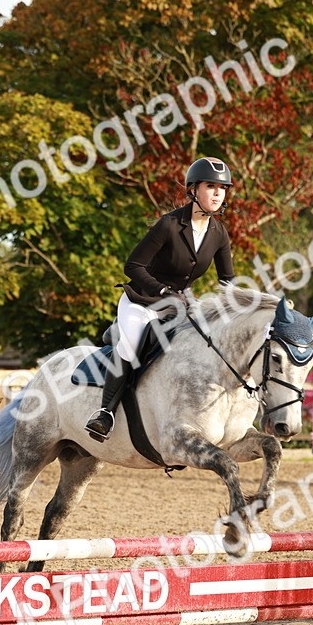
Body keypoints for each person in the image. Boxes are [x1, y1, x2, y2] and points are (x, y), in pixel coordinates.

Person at [85, 157, 235, 441]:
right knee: (130, 347)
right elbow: (133, 266)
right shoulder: (168, 225)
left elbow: (228, 281)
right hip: (141, 301)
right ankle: (105, 413)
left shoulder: (218, 232)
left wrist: (251, 302)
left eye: (222, 188)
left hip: (178, 307)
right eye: (210, 186)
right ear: (193, 190)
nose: (218, 193)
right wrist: (163, 291)